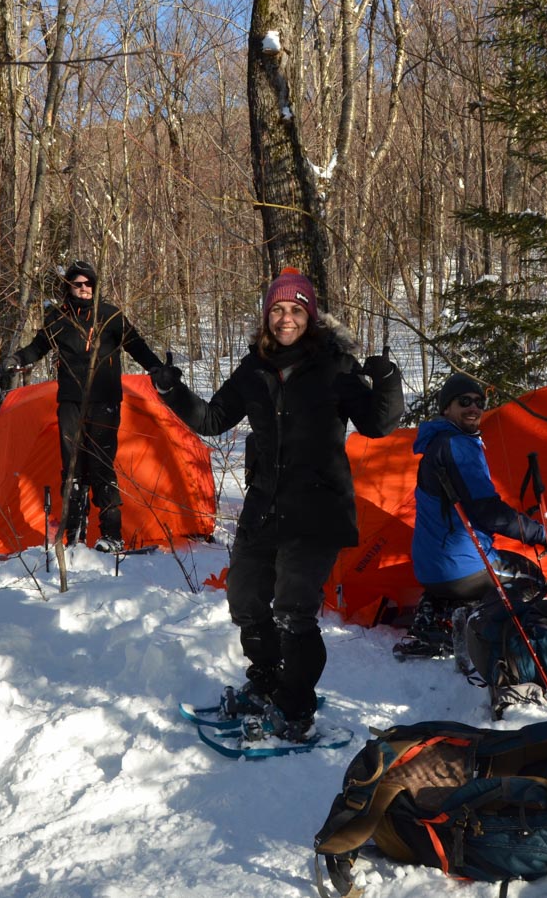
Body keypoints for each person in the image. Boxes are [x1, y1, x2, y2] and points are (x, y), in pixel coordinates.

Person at [151, 269, 403, 742]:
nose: (286, 318)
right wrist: (172, 391)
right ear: (267, 317)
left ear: (310, 315)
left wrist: (388, 380)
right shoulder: (255, 367)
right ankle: (266, 678)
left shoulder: (334, 366)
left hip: (317, 510)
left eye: (296, 309)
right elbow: (212, 419)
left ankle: (296, 705)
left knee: (294, 609)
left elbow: (377, 424)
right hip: (265, 506)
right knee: (245, 596)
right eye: (278, 310)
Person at [397, 371, 547, 658]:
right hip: (461, 568)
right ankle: (481, 629)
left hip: (428, 570)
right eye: (464, 401)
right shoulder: (457, 446)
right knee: (532, 577)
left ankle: (433, 620)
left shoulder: (437, 444)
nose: (474, 407)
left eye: (479, 402)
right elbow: (488, 513)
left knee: (484, 567)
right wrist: (541, 534)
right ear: (446, 408)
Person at [9, 260, 163, 553]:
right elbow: (39, 346)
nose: (84, 289)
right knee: (72, 469)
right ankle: (74, 537)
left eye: (88, 284)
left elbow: (136, 345)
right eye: (77, 284)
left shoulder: (110, 315)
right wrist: (18, 359)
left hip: (104, 401)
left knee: (102, 466)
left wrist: (156, 368)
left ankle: (112, 536)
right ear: (69, 287)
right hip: (70, 402)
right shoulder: (57, 318)